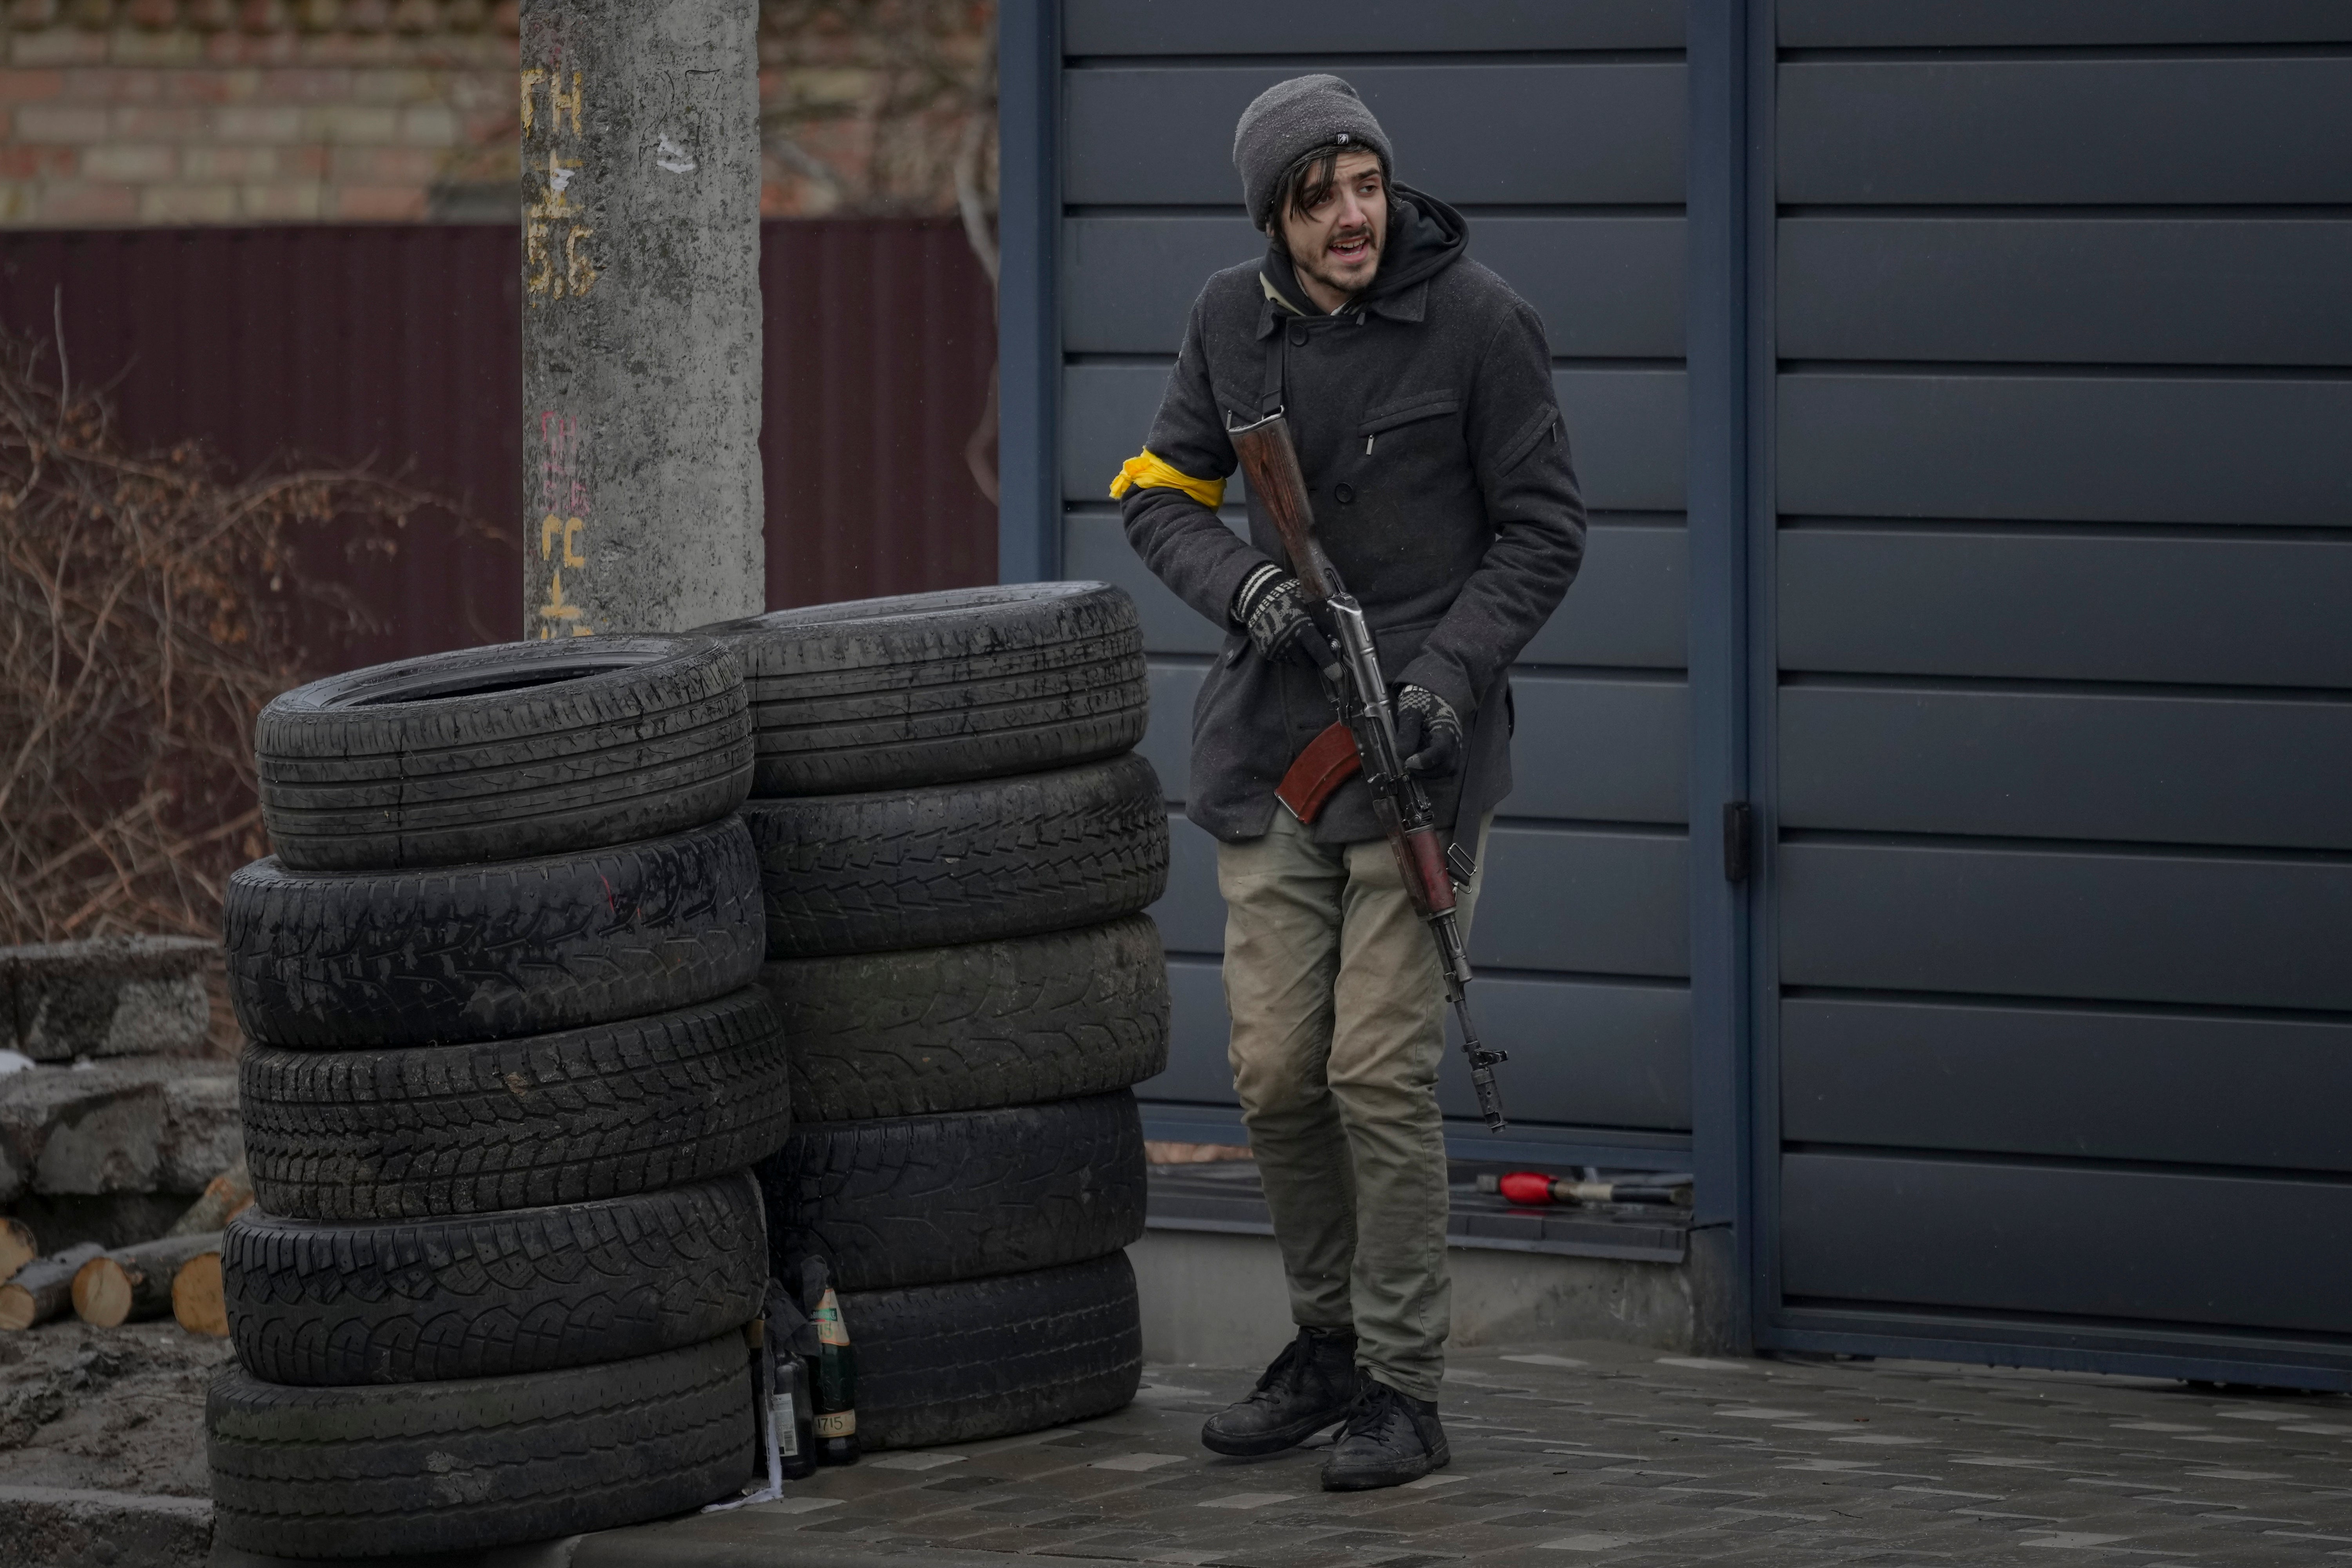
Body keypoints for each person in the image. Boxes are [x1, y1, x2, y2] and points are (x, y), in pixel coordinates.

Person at [1114, 74, 1585, 1490]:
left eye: (1364, 185)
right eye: (1316, 198)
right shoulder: (1224, 321)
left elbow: (1546, 532)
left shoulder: (1481, 323)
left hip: (1422, 761)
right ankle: (1323, 1345)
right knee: (1271, 1075)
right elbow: (1154, 490)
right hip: (1271, 756)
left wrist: (1447, 681)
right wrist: (1247, 583)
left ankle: (1403, 1383)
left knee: (1377, 1071)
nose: (1350, 217)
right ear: (1274, 216)